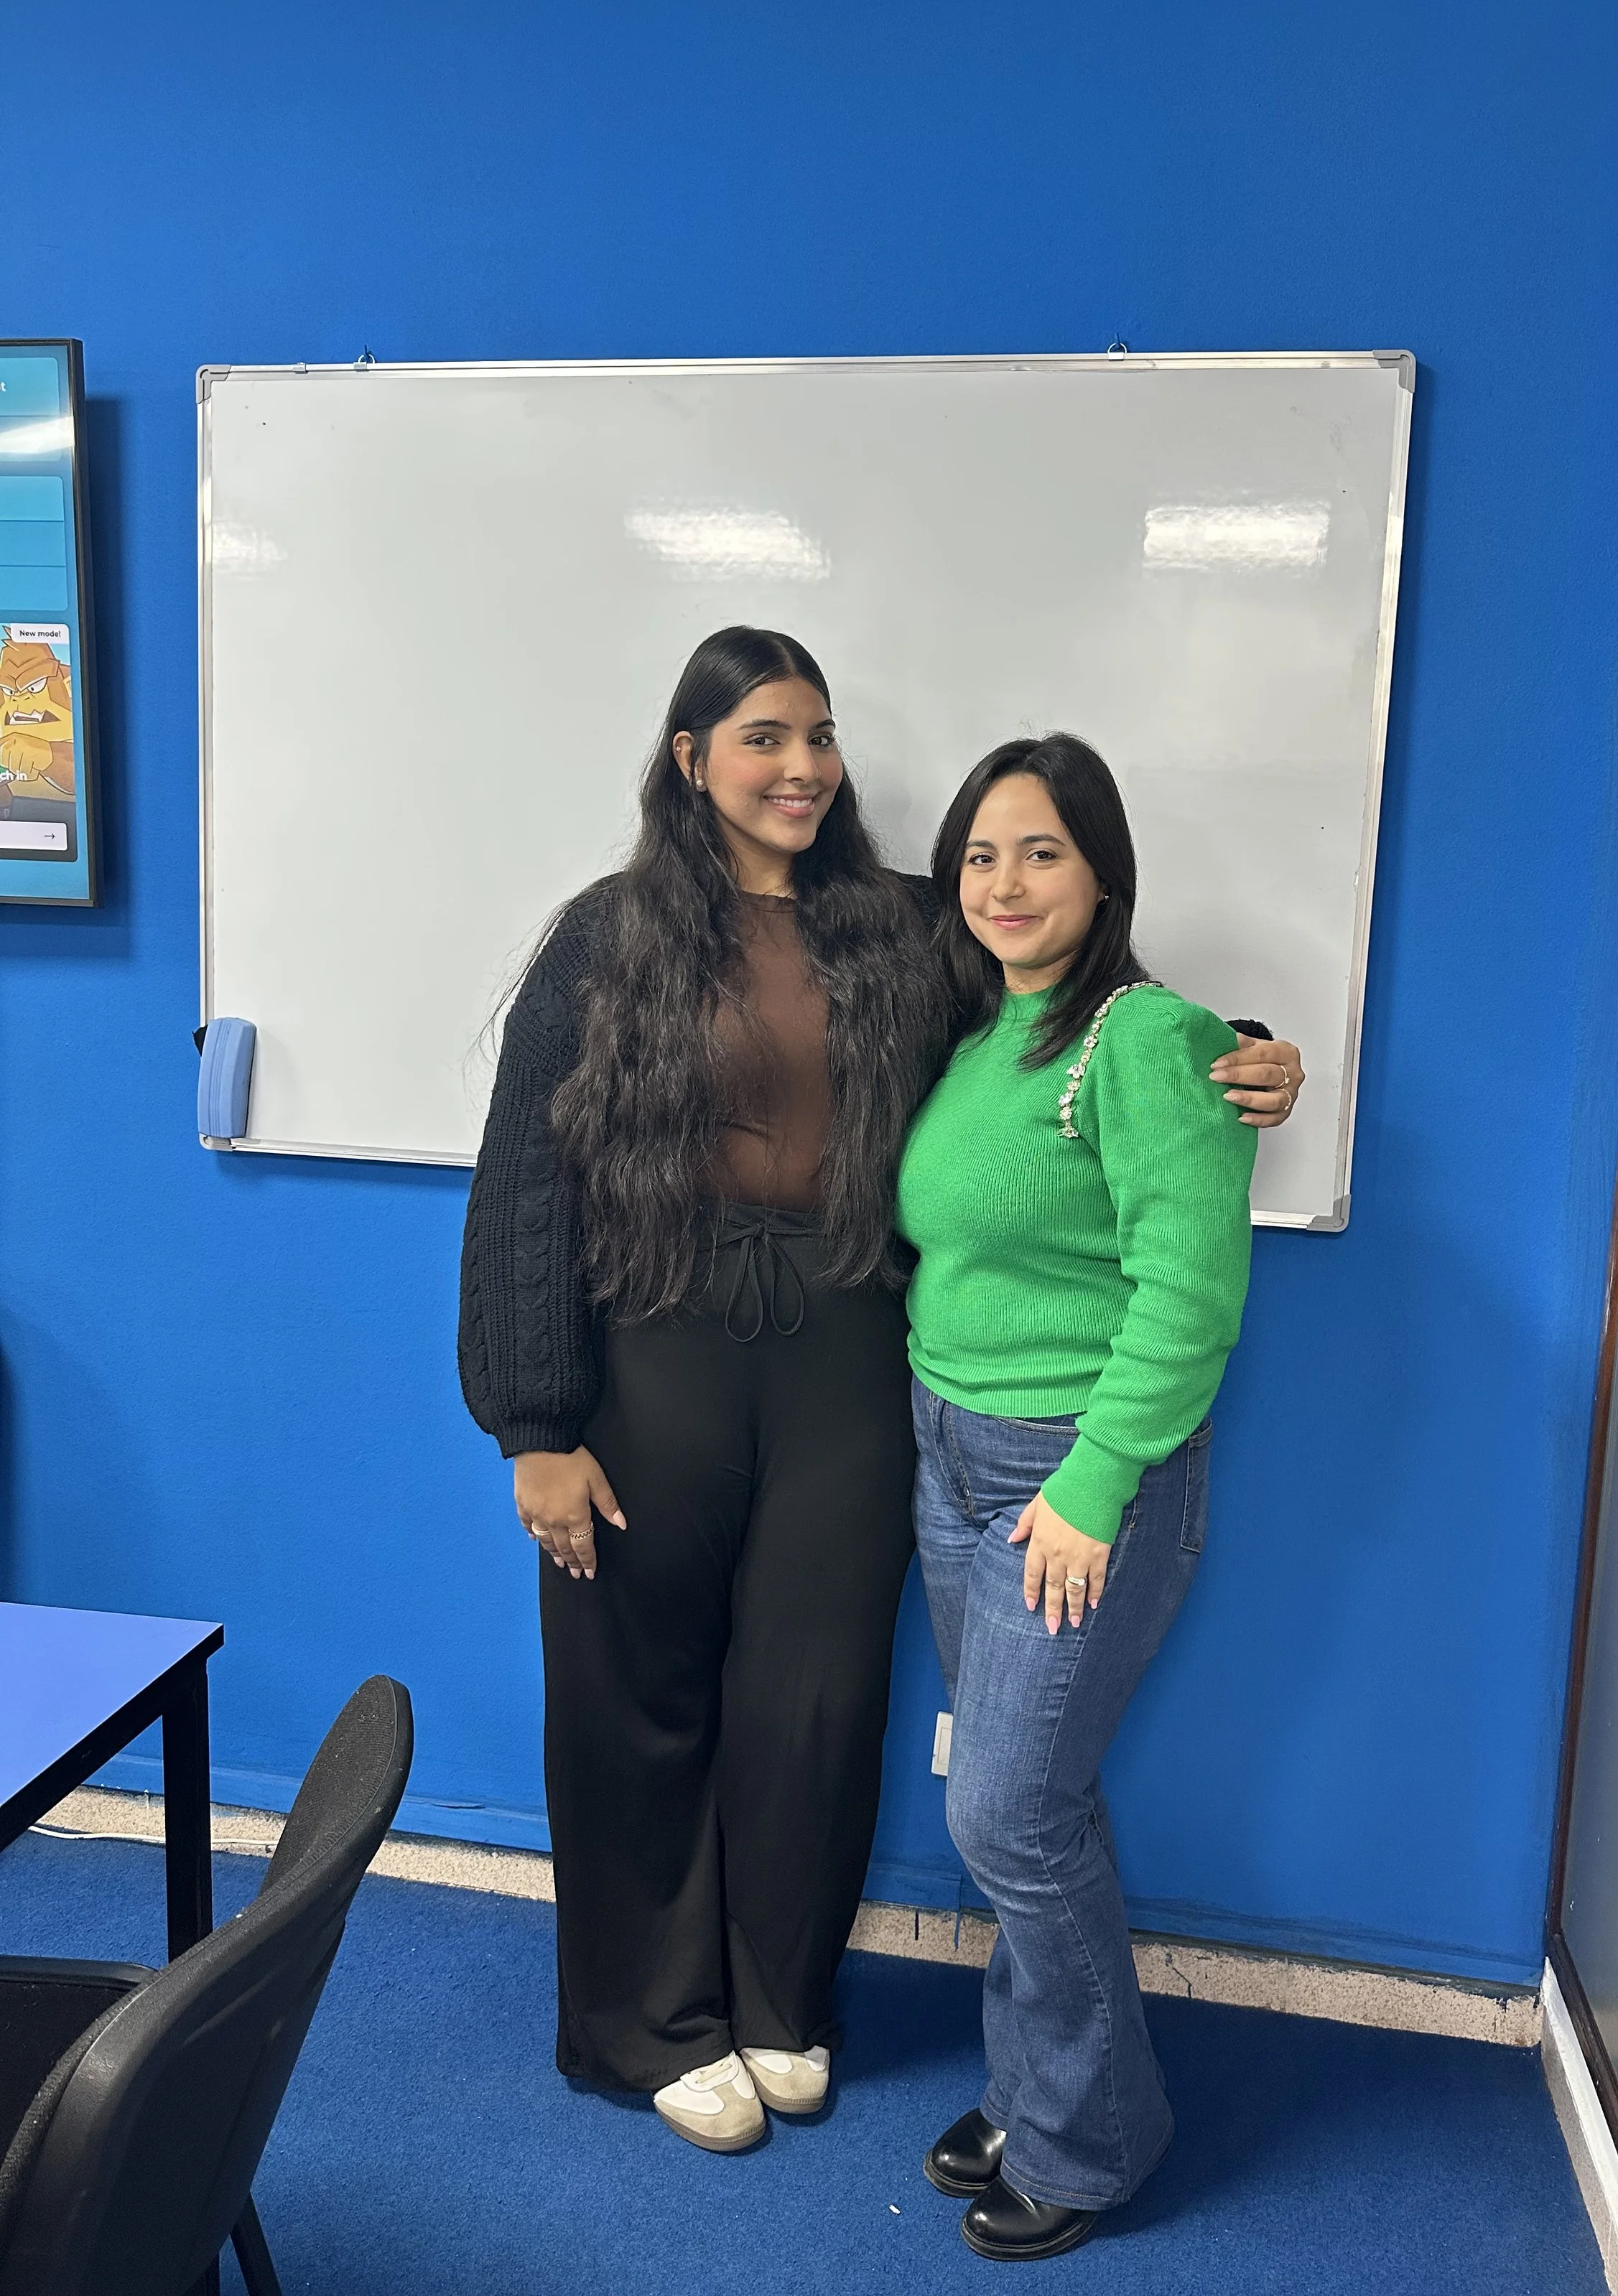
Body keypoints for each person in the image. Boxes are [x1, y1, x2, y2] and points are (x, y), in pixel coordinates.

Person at [457, 628, 1304, 2156]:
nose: (802, 768)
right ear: (689, 758)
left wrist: (1236, 1052)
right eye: (764, 737)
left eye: (821, 735)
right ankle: (649, 2018)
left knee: (818, 1693)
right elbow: (526, 1176)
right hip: (654, 1347)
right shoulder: (603, 936)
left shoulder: (901, 925)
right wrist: (535, 1426)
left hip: (849, 1355)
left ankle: (779, 2001)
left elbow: (1068, 1008)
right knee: (635, 1686)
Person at [898, 733, 1258, 2262]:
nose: (1004, 882)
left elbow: (1191, 1293)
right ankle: (1034, 2084)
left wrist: (1097, 1485)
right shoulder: (985, 1030)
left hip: (1070, 1473)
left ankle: (1094, 2138)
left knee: (1007, 1810)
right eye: (979, 855)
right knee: (1024, 1808)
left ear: (1103, 871)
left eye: (1039, 850)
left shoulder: (1149, 1039)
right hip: (945, 1452)